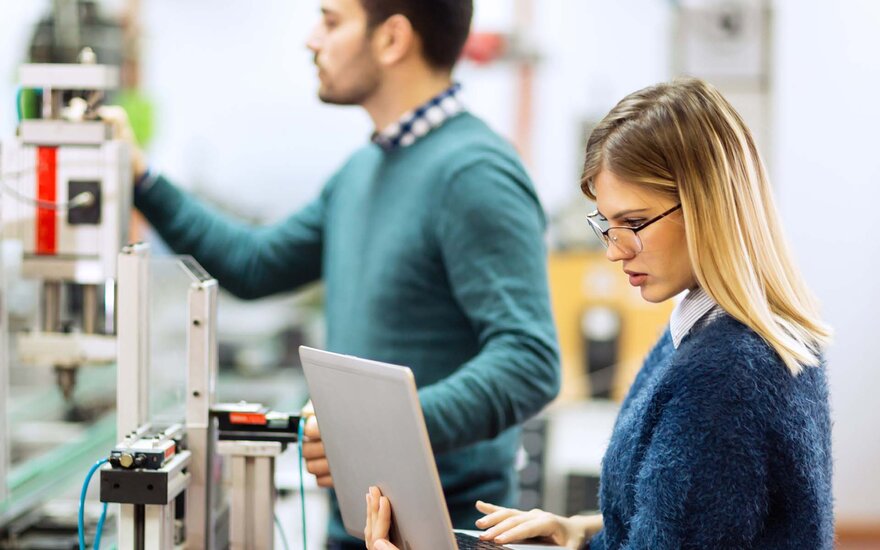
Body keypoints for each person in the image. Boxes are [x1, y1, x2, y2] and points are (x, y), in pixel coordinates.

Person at [103, 0, 561, 548]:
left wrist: (379, 430)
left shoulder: (475, 173)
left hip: (440, 532)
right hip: (359, 524)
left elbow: (530, 361)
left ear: (392, 39)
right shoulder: (363, 170)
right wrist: (143, 177)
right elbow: (253, 265)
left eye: (331, 20)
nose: (311, 40)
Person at [365, 77, 834, 549]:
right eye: (606, 225)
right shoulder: (734, 338)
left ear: (707, 205)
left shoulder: (726, 375)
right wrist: (584, 530)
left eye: (633, 223)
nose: (615, 251)